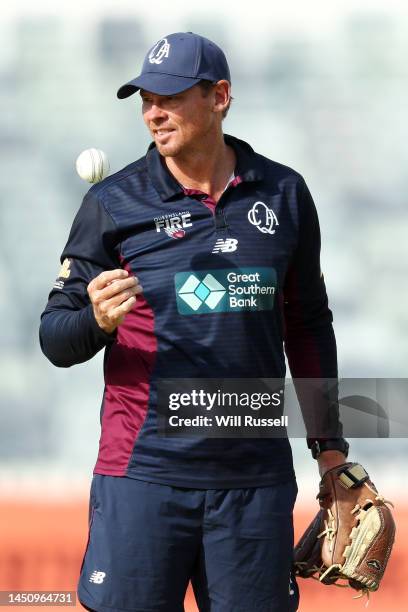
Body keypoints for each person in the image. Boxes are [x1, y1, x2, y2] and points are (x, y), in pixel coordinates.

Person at [39, 32, 349, 612]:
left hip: (253, 484)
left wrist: (331, 452)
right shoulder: (113, 203)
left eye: (171, 97)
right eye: (145, 100)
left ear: (220, 96)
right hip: (143, 477)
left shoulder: (284, 193)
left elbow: (308, 326)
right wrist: (98, 320)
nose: (154, 113)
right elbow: (55, 337)